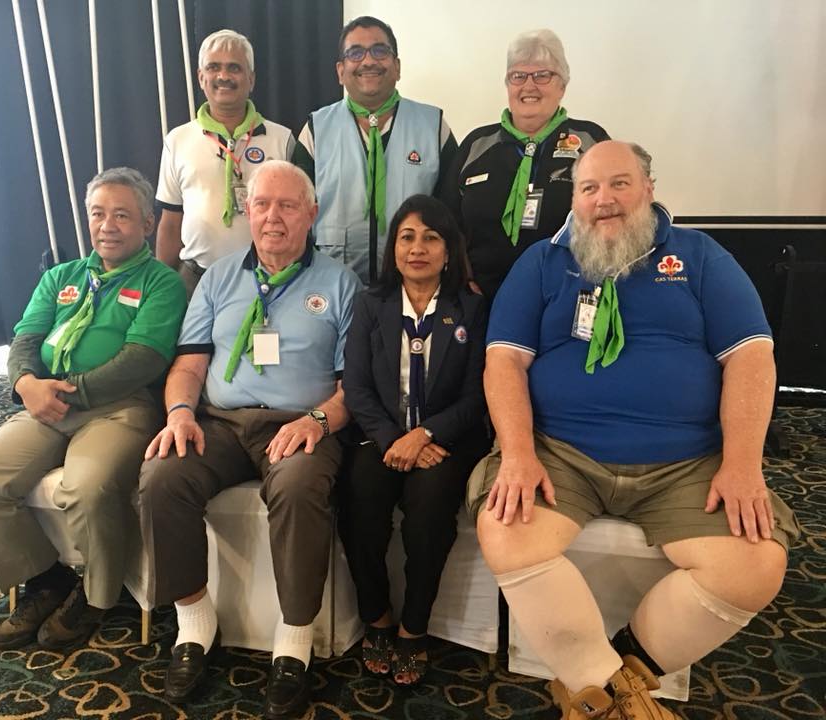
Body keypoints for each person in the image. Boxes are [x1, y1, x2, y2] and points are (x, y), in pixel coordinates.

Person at [470, 140, 799, 719]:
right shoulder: (542, 262)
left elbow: (751, 357)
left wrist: (742, 465)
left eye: (619, 183)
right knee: (506, 528)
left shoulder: (700, 256)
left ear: (648, 188)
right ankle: (623, 702)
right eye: (589, 188)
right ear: (574, 199)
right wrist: (518, 455)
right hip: (561, 453)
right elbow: (504, 361)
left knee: (756, 564)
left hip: (686, 461)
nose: (604, 200)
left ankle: (603, 688)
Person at [138, 160, 362, 718]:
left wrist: (318, 421)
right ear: (248, 212)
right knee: (162, 475)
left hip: (300, 424)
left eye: (288, 205)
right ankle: (194, 624)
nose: (272, 217)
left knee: (300, 487)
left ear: (311, 213)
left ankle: (294, 641)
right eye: (262, 204)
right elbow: (190, 362)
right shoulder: (218, 278)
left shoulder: (340, 283)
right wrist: (180, 413)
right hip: (219, 421)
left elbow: (353, 387)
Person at [0, 168, 186, 651]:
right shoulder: (61, 276)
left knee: (87, 487)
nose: (107, 226)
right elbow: (26, 339)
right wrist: (25, 383)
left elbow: (142, 359)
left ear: (147, 224)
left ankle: (97, 598)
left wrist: (62, 392)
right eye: (98, 214)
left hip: (119, 409)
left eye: (122, 216)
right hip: (47, 405)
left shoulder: (163, 283)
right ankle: (46, 579)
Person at [340, 194, 489, 685]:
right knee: (360, 500)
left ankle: (414, 628)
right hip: (380, 436)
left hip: (448, 439)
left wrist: (424, 434)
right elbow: (357, 388)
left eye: (431, 237)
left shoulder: (471, 307)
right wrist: (394, 439)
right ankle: (377, 617)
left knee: (429, 512)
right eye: (407, 237)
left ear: (449, 250)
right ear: (393, 248)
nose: (417, 248)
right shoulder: (371, 304)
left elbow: (477, 395)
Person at [442, 29, 609, 299]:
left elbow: (613, 216)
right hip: (483, 298)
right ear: (508, 85)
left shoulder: (590, 141)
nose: (529, 86)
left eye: (542, 75)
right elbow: (446, 221)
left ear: (562, 86)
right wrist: (461, 277)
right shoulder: (477, 144)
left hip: (566, 296)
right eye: (518, 76)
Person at [293, 15, 457, 286]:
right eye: (355, 53)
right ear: (340, 70)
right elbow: (295, 213)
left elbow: (452, 214)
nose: (368, 61)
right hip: (331, 287)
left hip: (412, 288)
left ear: (397, 67)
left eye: (380, 50)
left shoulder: (434, 127)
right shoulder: (315, 130)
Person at [156, 29, 295, 296]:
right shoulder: (177, 140)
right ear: (201, 77)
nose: (223, 76)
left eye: (234, 68)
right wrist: (162, 288)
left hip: (266, 277)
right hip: (195, 279)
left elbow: (297, 219)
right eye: (213, 67)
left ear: (251, 79)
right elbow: (171, 222)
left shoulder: (282, 139)